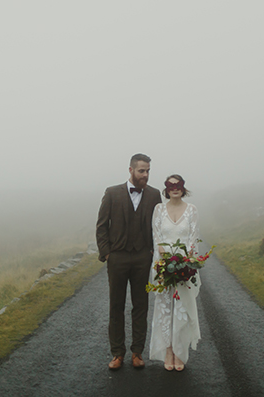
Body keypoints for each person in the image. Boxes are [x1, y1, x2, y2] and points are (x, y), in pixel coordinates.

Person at [96, 153, 162, 370]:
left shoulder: (154, 195)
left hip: (143, 257)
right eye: (142, 170)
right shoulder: (112, 193)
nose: (145, 174)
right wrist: (107, 253)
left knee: (141, 305)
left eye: (148, 170)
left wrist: (153, 251)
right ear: (131, 170)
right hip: (117, 257)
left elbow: (158, 226)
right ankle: (117, 353)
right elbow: (102, 226)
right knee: (116, 305)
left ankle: (137, 352)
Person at [149, 174, 201, 371]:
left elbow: (193, 240)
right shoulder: (159, 209)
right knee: (165, 310)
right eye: (170, 185)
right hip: (164, 268)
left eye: (178, 185)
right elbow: (157, 238)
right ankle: (168, 351)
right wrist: (162, 264)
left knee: (181, 311)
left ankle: (180, 353)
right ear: (166, 189)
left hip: (184, 269)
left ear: (183, 187)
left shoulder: (192, 210)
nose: (174, 188)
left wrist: (186, 265)